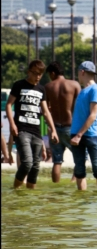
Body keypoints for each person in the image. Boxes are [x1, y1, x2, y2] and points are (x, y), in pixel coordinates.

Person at [5, 59, 59, 189]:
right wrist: (12, 124)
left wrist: (54, 130)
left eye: (40, 74)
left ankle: (30, 196)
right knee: (27, 163)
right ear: (29, 72)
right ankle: (16, 191)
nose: (38, 77)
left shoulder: (41, 89)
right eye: (35, 73)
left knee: (35, 167)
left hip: (36, 132)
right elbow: (8, 104)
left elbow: (46, 112)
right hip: (22, 130)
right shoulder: (19, 85)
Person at [70, 61, 97, 191]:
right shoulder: (83, 90)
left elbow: (93, 115)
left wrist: (79, 135)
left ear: (82, 72)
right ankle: (82, 198)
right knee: (79, 169)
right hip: (76, 134)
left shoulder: (95, 89)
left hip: (90, 135)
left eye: (78, 73)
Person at [45, 61, 81, 183]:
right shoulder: (74, 85)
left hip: (54, 128)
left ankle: (56, 187)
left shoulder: (48, 87)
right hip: (71, 127)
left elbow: (46, 109)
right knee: (79, 158)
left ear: (53, 73)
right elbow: (81, 107)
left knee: (57, 161)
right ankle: (73, 183)